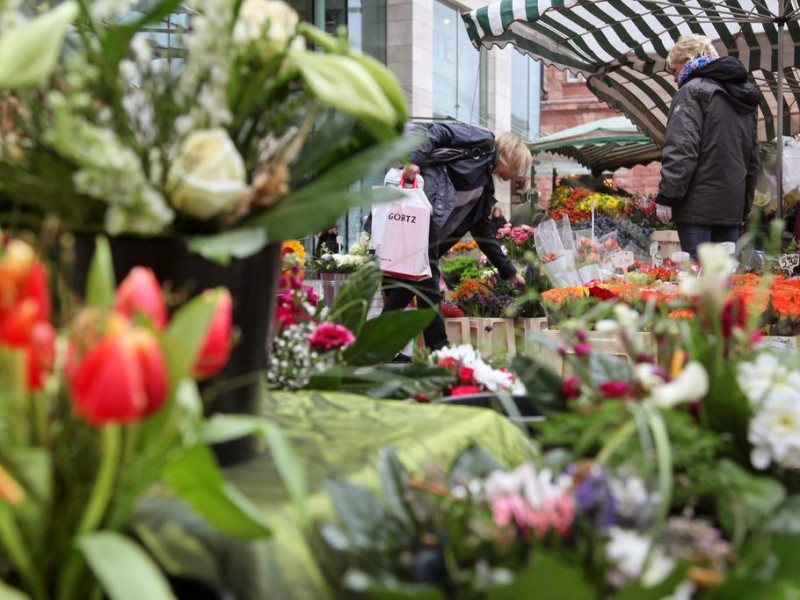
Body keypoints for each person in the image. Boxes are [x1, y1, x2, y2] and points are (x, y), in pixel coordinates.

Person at [381, 121, 531, 351]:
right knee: (426, 278)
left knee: (405, 287)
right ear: (511, 156)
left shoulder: (484, 187)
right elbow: (437, 131)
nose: (518, 176)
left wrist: (509, 272)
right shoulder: (483, 141)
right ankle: (439, 348)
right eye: (519, 168)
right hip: (418, 214)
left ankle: (377, 345)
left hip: (427, 228)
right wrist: (415, 160)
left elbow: (483, 233)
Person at [655, 34, 761, 259]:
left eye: (674, 70)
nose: (675, 79)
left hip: (696, 210)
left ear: (686, 60)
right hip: (731, 210)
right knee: (725, 283)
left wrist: (667, 197)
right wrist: (744, 207)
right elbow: (753, 159)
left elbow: (682, 150)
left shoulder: (691, 92)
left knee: (699, 282)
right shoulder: (744, 97)